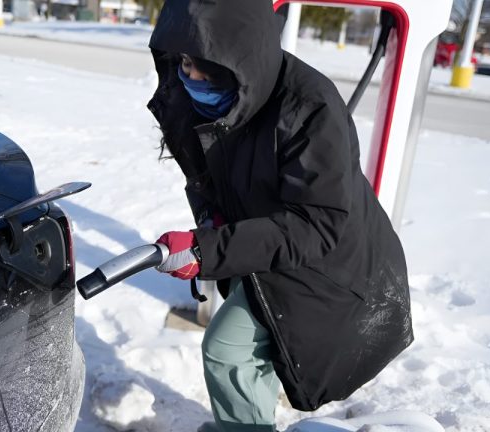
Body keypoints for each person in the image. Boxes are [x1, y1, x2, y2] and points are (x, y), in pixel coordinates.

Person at [147, 1, 414, 431]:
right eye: (183, 63)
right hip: (270, 248)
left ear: (239, 56)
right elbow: (207, 179)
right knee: (248, 358)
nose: (189, 77)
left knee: (228, 349)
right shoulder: (211, 101)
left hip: (328, 267)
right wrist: (213, 222)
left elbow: (317, 224)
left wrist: (207, 250)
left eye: (203, 68)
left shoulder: (309, 107)